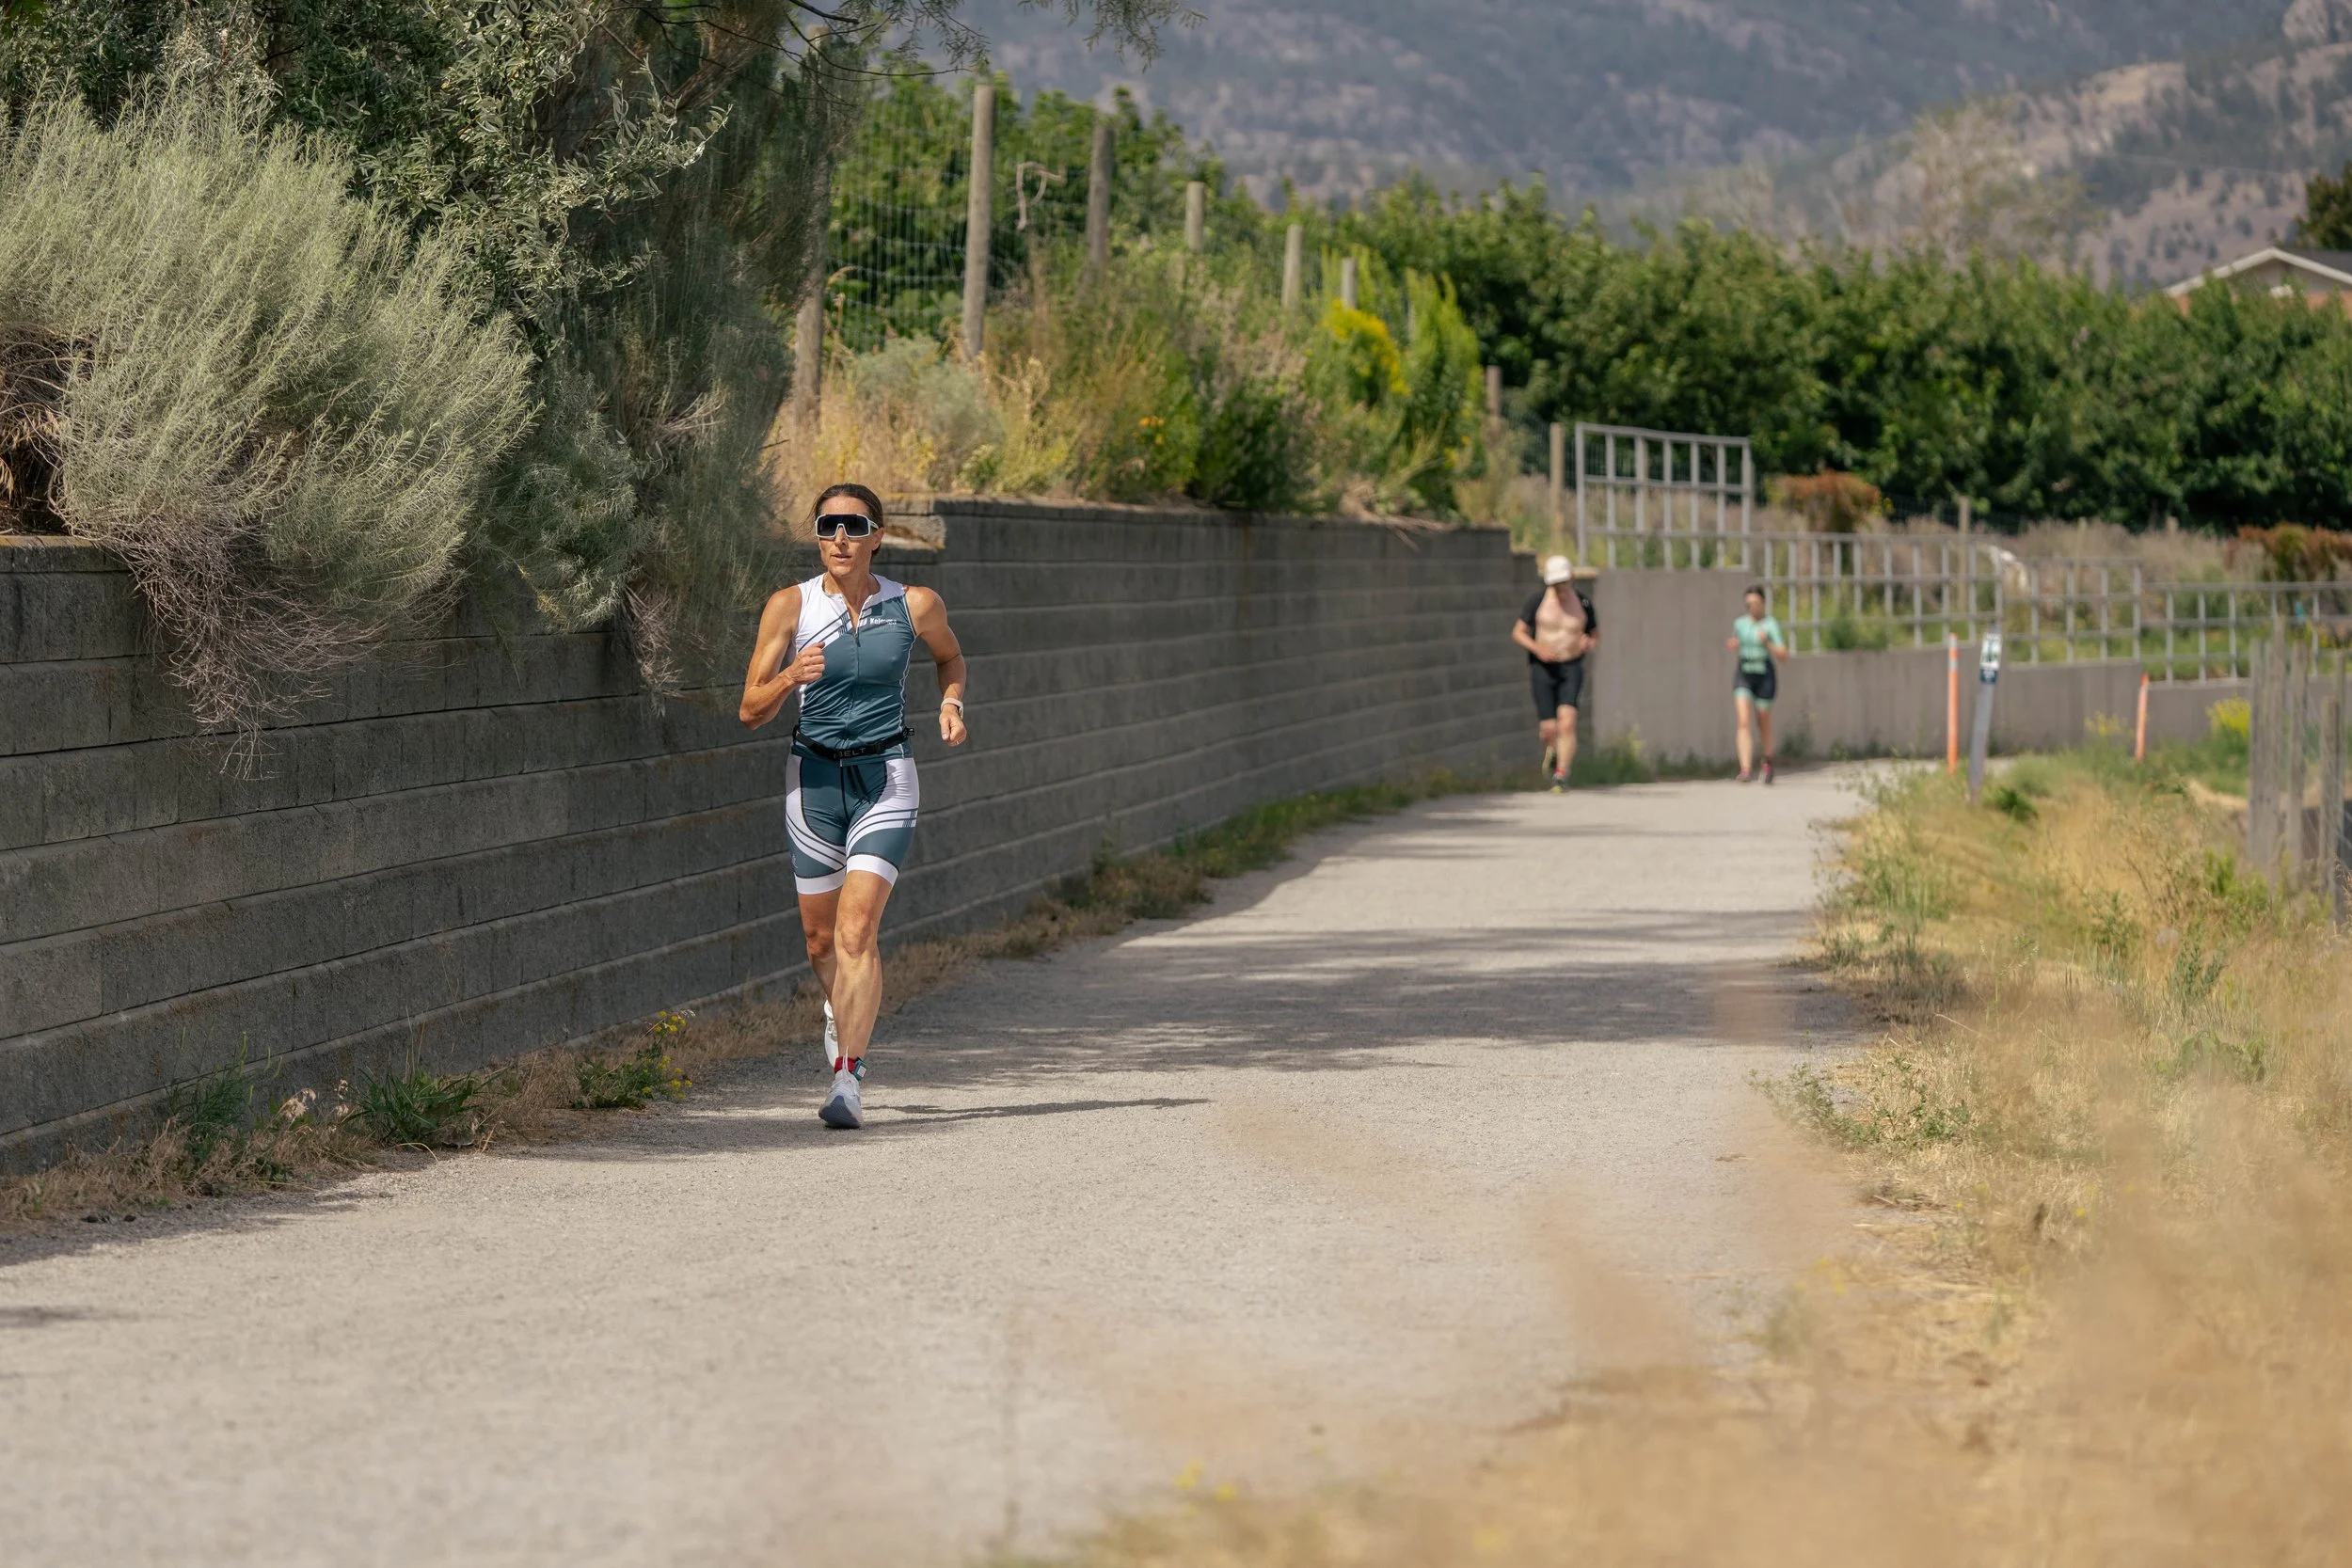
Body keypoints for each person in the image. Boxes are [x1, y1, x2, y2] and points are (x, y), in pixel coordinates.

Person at [739, 483, 967, 1129]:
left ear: (877, 535)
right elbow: (749, 709)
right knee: (820, 942)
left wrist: (951, 703)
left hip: (886, 776)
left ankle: (848, 1080)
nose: (839, 536)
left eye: (853, 524)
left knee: (857, 929)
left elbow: (950, 659)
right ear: (817, 535)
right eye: (827, 524)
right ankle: (840, 1012)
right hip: (811, 781)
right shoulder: (791, 606)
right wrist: (790, 676)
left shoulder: (915, 604)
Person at [1511, 554, 1598, 793]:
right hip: (1543, 668)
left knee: (1568, 723)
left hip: (1571, 667)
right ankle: (1553, 750)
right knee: (1549, 728)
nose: (1560, 588)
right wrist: (1537, 648)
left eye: (1563, 582)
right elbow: (1518, 632)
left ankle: (1561, 774)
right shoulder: (1537, 602)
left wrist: (1589, 643)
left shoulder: (1583, 603)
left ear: (1570, 579)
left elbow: (1594, 633)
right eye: (1555, 583)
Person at [1725, 585, 1788, 784]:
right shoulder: (1740, 624)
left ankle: (1767, 761)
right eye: (1748, 604)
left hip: (1764, 673)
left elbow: (1783, 654)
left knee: (1762, 720)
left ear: (1762, 603)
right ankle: (1745, 769)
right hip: (1745, 672)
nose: (1752, 608)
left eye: (1755, 604)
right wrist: (1733, 645)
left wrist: (1767, 642)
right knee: (1743, 721)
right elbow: (1735, 641)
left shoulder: (1770, 625)